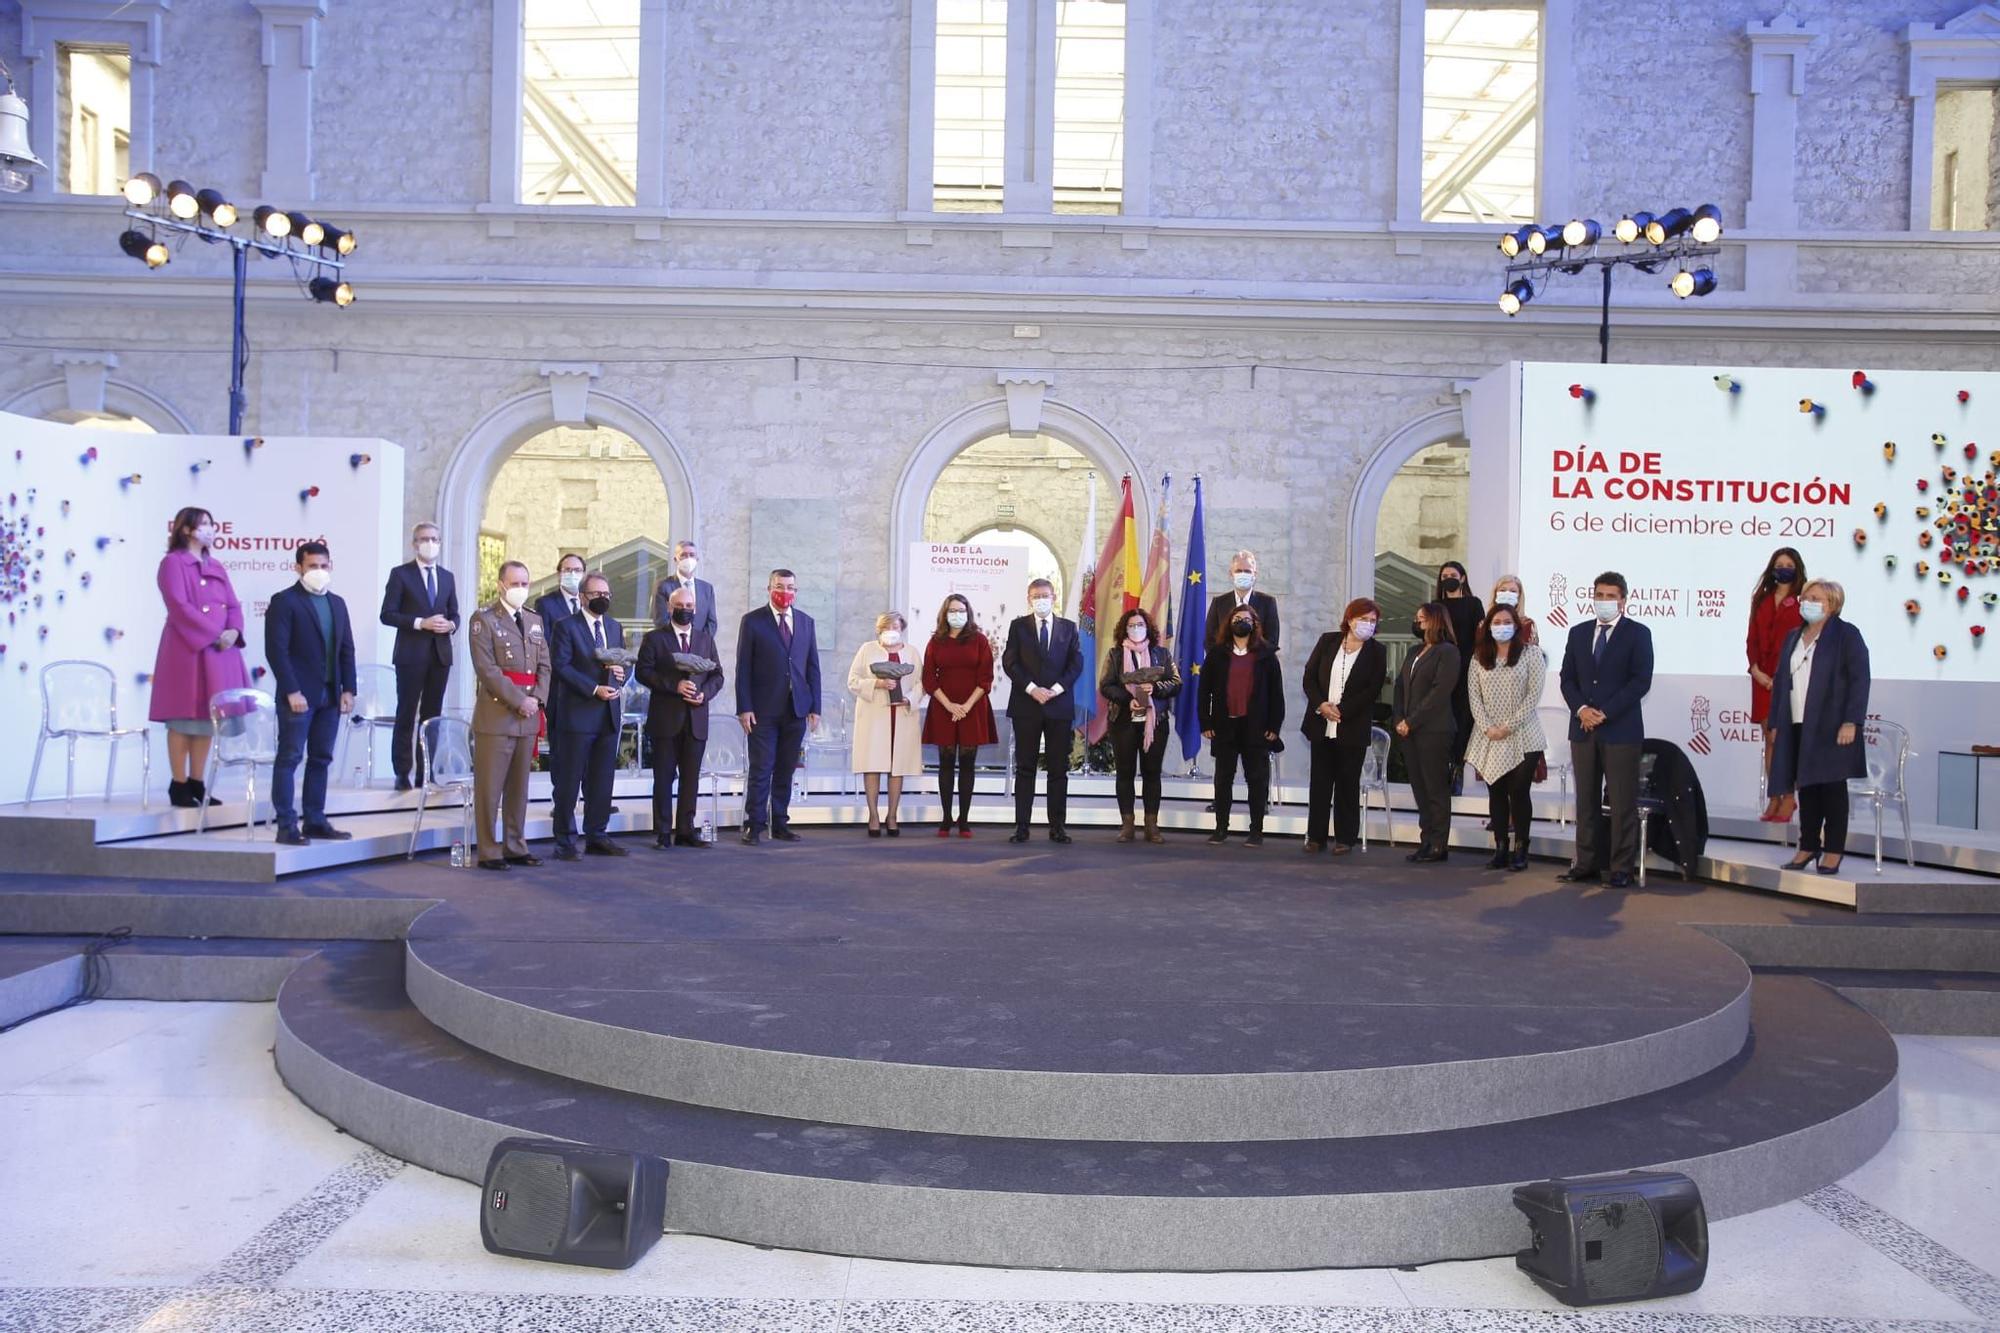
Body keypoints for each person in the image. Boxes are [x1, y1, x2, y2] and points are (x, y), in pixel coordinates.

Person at [1557, 571, 1655, 888]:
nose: (1605, 601)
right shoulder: (1578, 633)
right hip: (1582, 729)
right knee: (1585, 801)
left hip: (1621, 731)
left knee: (1622, 802)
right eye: (1600, 595)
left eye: (1611, 596)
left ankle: (1621, 867)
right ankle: (1586, 862)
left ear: (1623, 601)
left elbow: (1640, 681)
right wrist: (1582, 710)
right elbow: (1567, 678)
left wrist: (1605, 713)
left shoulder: (1638, 634)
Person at [1767, 579, 1870, 877]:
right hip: (1798, 722)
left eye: (1815, 597)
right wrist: (1775, 722)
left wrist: (1852, 720)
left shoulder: (1846, 635)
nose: (1807, 601)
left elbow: (1859, 679)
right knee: (1807, 788)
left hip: (1833, 725)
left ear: (1832, 604)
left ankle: (1833, 851)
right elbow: (1781, 682)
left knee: (1832, 789)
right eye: (1805, 597)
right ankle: (1808, 845)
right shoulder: (1793, 636)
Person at [149, 507, 249, 808]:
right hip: (187, 650)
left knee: (207, 718)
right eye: (203, 524)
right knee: (183, 718)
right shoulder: (172, 563)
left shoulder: (216, 565)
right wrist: (213, 633)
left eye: (211, 524)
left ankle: (197, 781)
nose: (209, 529)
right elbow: (179, 606)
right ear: (186, 530)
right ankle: (178, 783)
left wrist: (233, 631)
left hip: (219, 651)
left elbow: (233, 604)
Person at [263, 542, 357, 846]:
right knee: (290, 757)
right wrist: (291, 690)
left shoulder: (338, 603)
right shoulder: (285, 601)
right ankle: (287, 825)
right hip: (299, 697)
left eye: (324, 566)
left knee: (321, 758)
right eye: (313, 566)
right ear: (299, 568)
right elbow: (277, 651)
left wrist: (349, 689)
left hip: (331, 695)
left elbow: (346, 649)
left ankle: (315, 820)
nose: (319, 571)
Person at [468, 561, 550, 871]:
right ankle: (489, 851)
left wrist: (537, 700)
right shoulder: (484, 620)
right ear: (501, 584)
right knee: (490, 790)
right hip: (497, 716)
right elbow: (487, 670)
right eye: (514, 583)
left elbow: (545, 666)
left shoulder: (534, 621)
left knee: (519, 790)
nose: (520, 589)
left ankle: (516, 846)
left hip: (528, 716)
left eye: (524, 583)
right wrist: (519, 701)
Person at [735, 569, 821, 844]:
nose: (785, 592)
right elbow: (743, 668)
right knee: (762, 768)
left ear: (796, 591)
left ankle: (781, 822)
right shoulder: (752, 621)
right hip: (762, 710)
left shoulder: (806, 622)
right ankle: (755, 824)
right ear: (769, 587)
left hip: (796, 709)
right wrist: (744, 707)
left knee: (786, 768)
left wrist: (815, 707)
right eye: (779, 586)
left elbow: (812, 668)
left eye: (790, 587)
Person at [548, 570, 630, 860]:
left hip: (608, 714)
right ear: (583, 597)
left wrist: (620, 676)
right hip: (578, 713)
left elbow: (623, 662)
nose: (603, 599)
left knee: (601, 781)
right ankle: (565, 842)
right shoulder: (565, 626)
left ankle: (597, 835)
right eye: (597, 594)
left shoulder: (615, 626)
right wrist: (594, 688)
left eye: (607, 594)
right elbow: (562, 666)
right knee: (569, 782)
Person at [635, 584, 724, 850]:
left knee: (691, 777)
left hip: (696, 719)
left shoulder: (705, 640)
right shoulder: (655, 638)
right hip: (665, 719)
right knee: (663, 778)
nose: (685, 611)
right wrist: (673, 686)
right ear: (670, 608)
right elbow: (643, 672)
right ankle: (663, 832)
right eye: (680, 606)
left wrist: (704, 694)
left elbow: (718, 675)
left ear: (695, 610)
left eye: (690, 607)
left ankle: (686, 830)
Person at [1301, 598, 1387, 854]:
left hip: (1352, 726)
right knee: (1320, 783)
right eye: (1364, 619)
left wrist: (1342, 711)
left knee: (1347, 784)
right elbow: (1309, 676)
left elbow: (1373, 689)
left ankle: (1345, 838)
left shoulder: (1377, 652)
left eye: (1373, 621)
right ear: (1350, 620)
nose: (1368, 625)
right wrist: (1321, 705)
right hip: (1321, 723)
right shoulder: (1328, 641)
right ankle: (1315, 837)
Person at [1465, 604, 1547, 872]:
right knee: (1496, 792)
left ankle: (1521, 848)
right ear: (1489, 626)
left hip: (1524, 734)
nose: (1501, 626)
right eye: (1496, 621)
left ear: (1516, 625)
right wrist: (1488, 727)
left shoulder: (1532, 654)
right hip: (1488, 734)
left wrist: (1508, 727)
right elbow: (1474, 697)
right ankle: (1500, 847)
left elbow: (1533, 695)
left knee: (1519, 790)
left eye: (1506, 621)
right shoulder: (1478, 657)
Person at [1001, 578, 1084, 843]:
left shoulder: (1069, 628)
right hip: (1027, 705)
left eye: (1045, 595)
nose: (1041, 599)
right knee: (1026, 768)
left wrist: (1056, 689)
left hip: (1058, 706)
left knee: (1058, 769)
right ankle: (1022, 826)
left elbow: (1076, 664)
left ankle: (1057, 827)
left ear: (1054, 596)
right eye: (1036, 595)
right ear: (1029, 598)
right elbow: (1010, 662)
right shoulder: (1018, 626)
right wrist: (1032, 688)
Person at [378, 521, 459, 791]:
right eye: (425, 539)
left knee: (432, 715)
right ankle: (402, 772)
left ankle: (427, 772)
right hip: (410, 654)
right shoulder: (401, 574)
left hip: (440, 654)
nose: (430, 543)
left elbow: (454, 613)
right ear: (414, 543)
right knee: (406, 712)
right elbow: (388, 614)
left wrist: (452, 625)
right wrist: (419, 623)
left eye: (434, 538)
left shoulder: (447, 577)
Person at [1198, 604, 1284, 846]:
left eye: (1247, 618)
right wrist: (1205, 721)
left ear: (1255, 624)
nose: (1241, 622)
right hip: (1225, 726)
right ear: (1229, 623)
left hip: (1255, 727)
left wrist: (1274, 727)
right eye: (1237, 618)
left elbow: (1277, 694)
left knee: (1257, 779)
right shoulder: (1217, 654)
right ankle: (1220, 829)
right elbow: (1204, 691)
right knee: (1223, 779)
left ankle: (1256, 830)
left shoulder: (1266, 655)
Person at [1100, 607, 1181, 844]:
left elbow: (1176, 683)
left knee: (1151, 773)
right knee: (1125, 773)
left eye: (1140, 625)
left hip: (1155, 723)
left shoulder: (1162, 654)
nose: (1136, 629)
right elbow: (1106, 685)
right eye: (1132, 625)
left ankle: (1151, 825)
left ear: (1148, 628)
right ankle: (1127, 825)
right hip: (1123, 722)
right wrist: (1129, 700)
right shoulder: (1115, 655)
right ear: (1124, 629)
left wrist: (1155, 689)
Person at [921, 593, 996, 838]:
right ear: (945, 614)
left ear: (968, 613)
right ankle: (945, 819)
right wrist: (950, 705)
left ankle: (964, 820)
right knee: (944, 762)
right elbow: (929, 679)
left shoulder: (980, 640)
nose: (957, 615)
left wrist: (965, 705)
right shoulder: (935, 642)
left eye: (961, 611)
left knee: (967, 763)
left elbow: (985, 678)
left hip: (973, 707)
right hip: (943, 707)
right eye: (952, 611)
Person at [1393, 602, 1461, 863]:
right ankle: (1426, 840)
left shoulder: (1448, 652)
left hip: (1434, 730)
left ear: (1436, 621)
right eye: (1416, 618)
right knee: (1420, 788)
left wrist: (1412, 720)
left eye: (1422, 618)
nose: (1417, 622)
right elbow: (1400, 687)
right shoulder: (1414, 651)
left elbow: (1439, 692)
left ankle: (1438, 844)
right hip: (1408, 730)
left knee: (1435, 789)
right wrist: (1400, 718)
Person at [848, 612, 925, 836]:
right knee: (872, 764)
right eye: (887, 626)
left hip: (901, 714)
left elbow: (921, 683)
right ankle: (873, 815)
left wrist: (910, 698)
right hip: (874, 715)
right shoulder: (867, 649)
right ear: (879, 629)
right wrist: (877, 683)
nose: (892, 629)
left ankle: (892, 815)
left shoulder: (911, 652)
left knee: (897, 765)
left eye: (896, 626)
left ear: (902, 628)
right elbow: (853, 681)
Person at [1746, 546, 1808, 822]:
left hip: (1789, 679)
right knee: (1769, 742)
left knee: (1782, 739)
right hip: (1762, 680)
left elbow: (1804, 641)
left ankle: (1789, 798)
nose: (1783, 568)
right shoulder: (1761, 599)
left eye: (1788, 564)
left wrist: (1782, 676)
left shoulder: (1804, 599)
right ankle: (1774, 797)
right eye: (1779, 564)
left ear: (1796, 568)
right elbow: (1752, 640)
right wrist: (1756, 670)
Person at [1434, 561, 1484, 792]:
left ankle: (1458, 770)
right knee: (1444, 719)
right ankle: (1444, 769)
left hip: (1467, 669)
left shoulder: (1474, 604)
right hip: (1442, 668)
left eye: (1453, 575)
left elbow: (1481, 637)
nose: (1448, 578)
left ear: (1463, 578)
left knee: (1464, 720)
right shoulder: (1436, 605)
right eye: (1444, 575)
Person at [534, 552, 588, 746]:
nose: (573, 574)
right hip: (559, 684)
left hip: (587, 685)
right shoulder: (546, 604)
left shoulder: (589, 603)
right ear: (559, 574)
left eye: (577, 570)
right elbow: (545, 643)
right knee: (561, 744)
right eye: (568, 570)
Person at [1204, 549, 1282, 650]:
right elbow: (1209, 639)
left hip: (1257, 663)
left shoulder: (1267, 603)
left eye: (1247, 571)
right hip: (1225, 663)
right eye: (1238, 571)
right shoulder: (1219, 603)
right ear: (1231, 574)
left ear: (1255, 574)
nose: (1243, 574)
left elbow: (1272, 640)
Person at [648, 538, 718, 640]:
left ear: (697, 559)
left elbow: (712, 623)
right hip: (672, 647)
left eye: (692, 555)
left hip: (700, 649)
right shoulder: (663, 586)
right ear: (676, 559)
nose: (688, 558)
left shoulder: (707, 589)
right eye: (683, 555)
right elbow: (661, 621)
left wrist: (698, 643)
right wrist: (682, 641)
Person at [1488, 573, 1539, 645]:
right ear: (1495, 594)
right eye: (1502, 590)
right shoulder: (1484, 624)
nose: (1507, 594)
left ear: (1519, 596)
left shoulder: (1527, 624)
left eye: (1513, 591)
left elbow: (1533, 652)